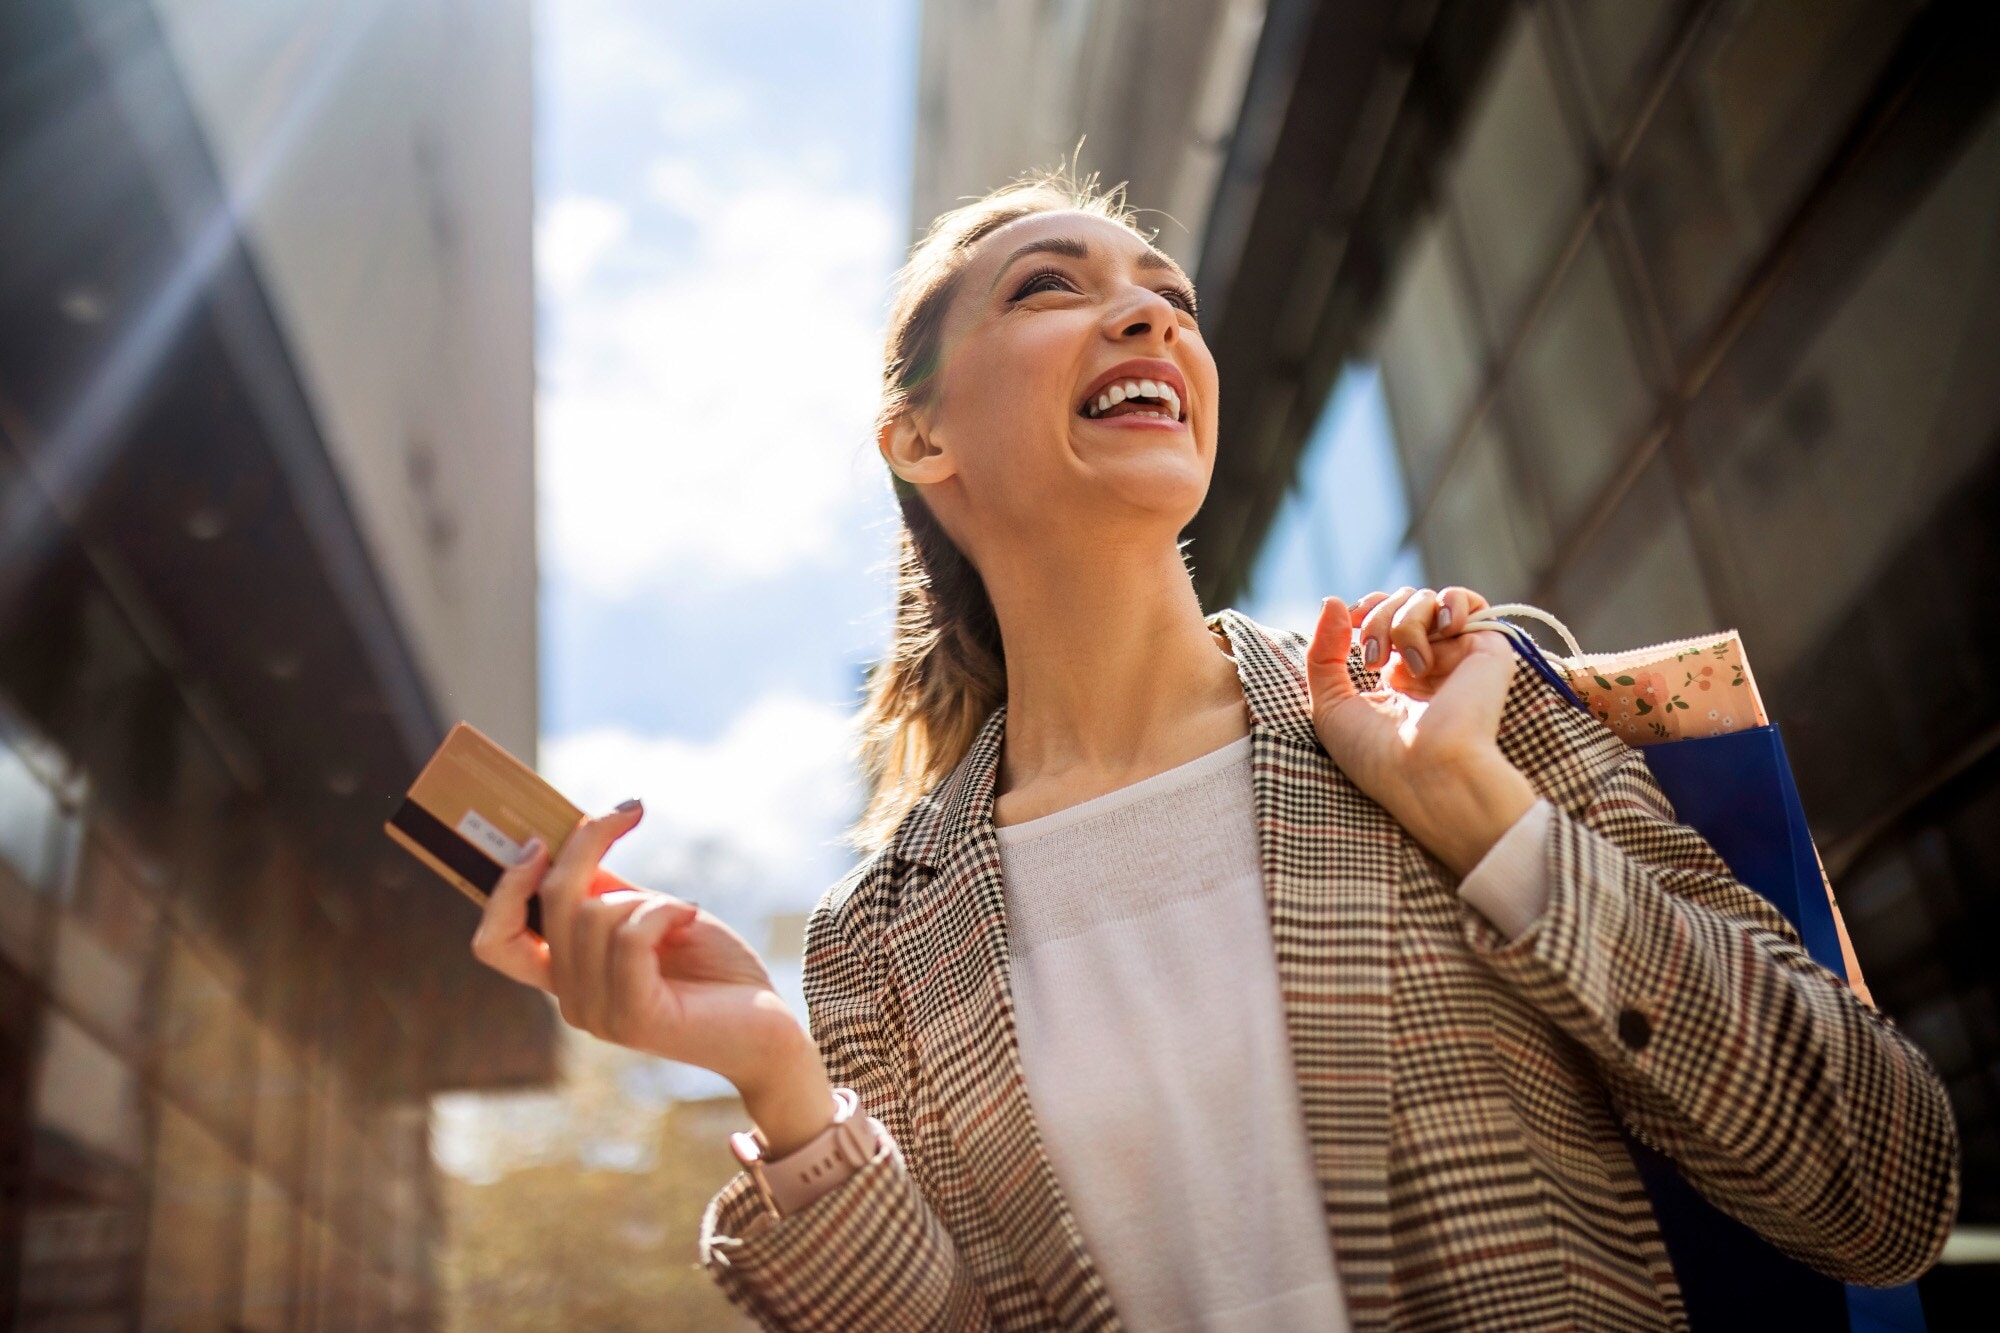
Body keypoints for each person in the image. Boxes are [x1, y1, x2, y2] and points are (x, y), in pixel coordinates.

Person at [469, 167, 1959, 1331]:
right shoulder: (881, 946)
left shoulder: (1447, 706)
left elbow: (1882, 1190)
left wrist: (1485, 815)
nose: (1151, 317)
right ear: (924, 441)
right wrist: (787, 1093)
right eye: (1051, 288)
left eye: (1167, 294)